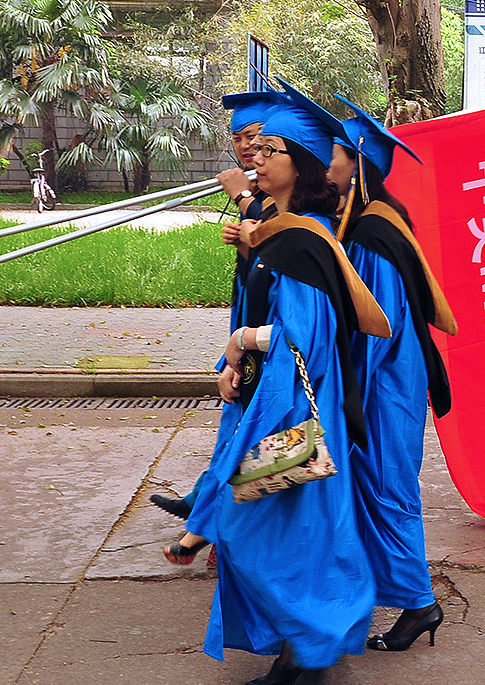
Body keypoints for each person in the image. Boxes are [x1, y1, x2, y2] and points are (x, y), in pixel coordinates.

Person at [167, 81, 393, 684]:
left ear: (302, 164)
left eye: (270, 150)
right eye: (256, 148)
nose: (256, 158)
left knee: (255, 526)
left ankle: (318, 636)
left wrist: (241, 343)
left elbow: (305, 337)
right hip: (282, 400)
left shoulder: (303, 238)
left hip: (294, 408)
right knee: (299, 528)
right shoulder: (285, 228)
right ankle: (305, 652)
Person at [326, 95, 457, 653]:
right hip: (388, 382)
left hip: (387, 386)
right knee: (377, 489)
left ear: (358, 166)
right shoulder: (372, 219)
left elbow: (378, 327)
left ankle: (419, 602)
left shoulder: (374, 233)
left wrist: (344, 387)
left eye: (333, 156)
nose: (326, 166)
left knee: (388, 490)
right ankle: (393, 595)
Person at [150, 89, 284, 524]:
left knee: (265, 437)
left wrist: (246, 200)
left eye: (259, 140)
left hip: (277, 338)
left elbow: (288, 236)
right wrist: (246, 243)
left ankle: (213, 517)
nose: (249, 149)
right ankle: (208, 507)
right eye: (239, 138)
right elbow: (262, 257)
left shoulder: (290, 201)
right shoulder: (261, 190)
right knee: (240, 420)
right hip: (253, 318)